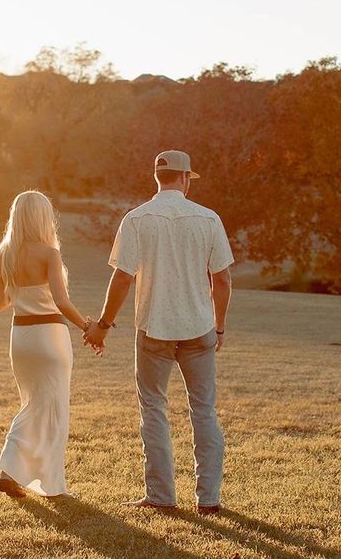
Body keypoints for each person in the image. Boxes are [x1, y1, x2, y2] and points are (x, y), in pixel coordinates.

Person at [83, 150, 234, 515]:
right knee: (204, 411)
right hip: (199, 328)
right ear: (184, 179)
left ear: (157, 178)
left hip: (153, 328)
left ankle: (162, 496)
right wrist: (220, 326)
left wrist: (103, 325)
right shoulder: (208, 219)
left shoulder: (137, 219)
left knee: (153, 409)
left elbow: (122, 277)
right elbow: (222, 280)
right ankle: (209, 499)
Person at [0, 190, 90, 498]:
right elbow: (61, 301)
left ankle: (15, 473)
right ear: (43, 218)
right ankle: (43, 482)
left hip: (21, 338)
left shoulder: (2, 255)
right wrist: (88, 326)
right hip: (50, 336)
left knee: (33, 403)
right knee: (53, 409)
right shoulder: (49, 254)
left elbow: (0, 303)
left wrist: (20, 287)